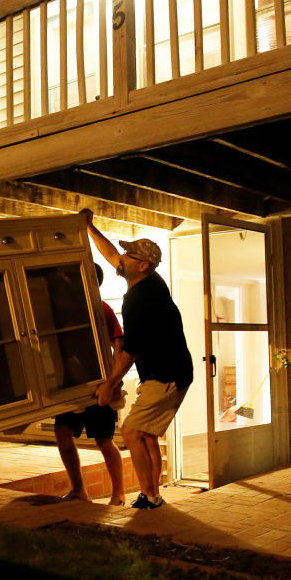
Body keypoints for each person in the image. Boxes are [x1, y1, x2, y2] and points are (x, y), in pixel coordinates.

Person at [80, 209, 193, 509]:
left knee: (131, 431)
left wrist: (110, 384)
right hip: (170, 372)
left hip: (167, 376)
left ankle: (149, 496)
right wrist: (90, 228)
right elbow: (112, 255)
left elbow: (131, 350)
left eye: (128, 256)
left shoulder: (141, 300)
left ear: (142, 265)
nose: (122, 259)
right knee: (148, 435)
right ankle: (153, 494)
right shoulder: (148, 282)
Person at [53, 264, 127, 506]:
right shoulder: (61, 311)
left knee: (104, 439)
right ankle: (78, 489)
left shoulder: (102, 309)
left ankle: (119, 494)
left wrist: (114, 381)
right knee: (62, 433)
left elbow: (119, 345)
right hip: (68, 385)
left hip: (98, 384)